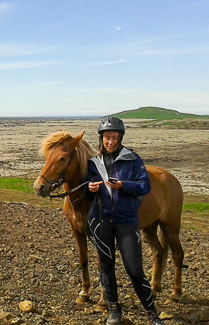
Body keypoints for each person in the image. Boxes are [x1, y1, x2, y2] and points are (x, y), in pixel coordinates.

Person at [83, 116, 164, 325]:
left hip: (126, 220)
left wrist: (124, 185)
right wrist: (89, 189)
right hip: (100, 221)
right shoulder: (93, 163)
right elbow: (86, 193)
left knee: (135, 269)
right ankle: (114, 310)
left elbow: (144, 186)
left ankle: (151, 312)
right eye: (107, 137)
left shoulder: (133, 159)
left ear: (120, 138)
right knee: (106, 267)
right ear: (101, 138)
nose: (110, 141)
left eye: (114, 137)